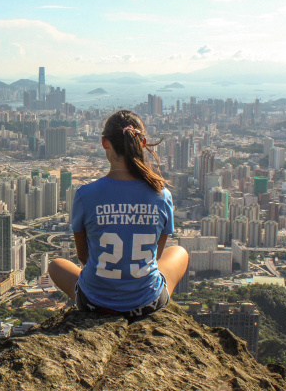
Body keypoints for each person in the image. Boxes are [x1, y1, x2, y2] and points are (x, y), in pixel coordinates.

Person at [49, 110, 188, 316]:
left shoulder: (85, 195)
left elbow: (84, 257)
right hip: (147, 303)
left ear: (105, 142)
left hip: (95, 303)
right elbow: (155, 256)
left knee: (56, 265)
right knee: (180, 252)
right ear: (143, 143)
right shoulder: (161, 194)